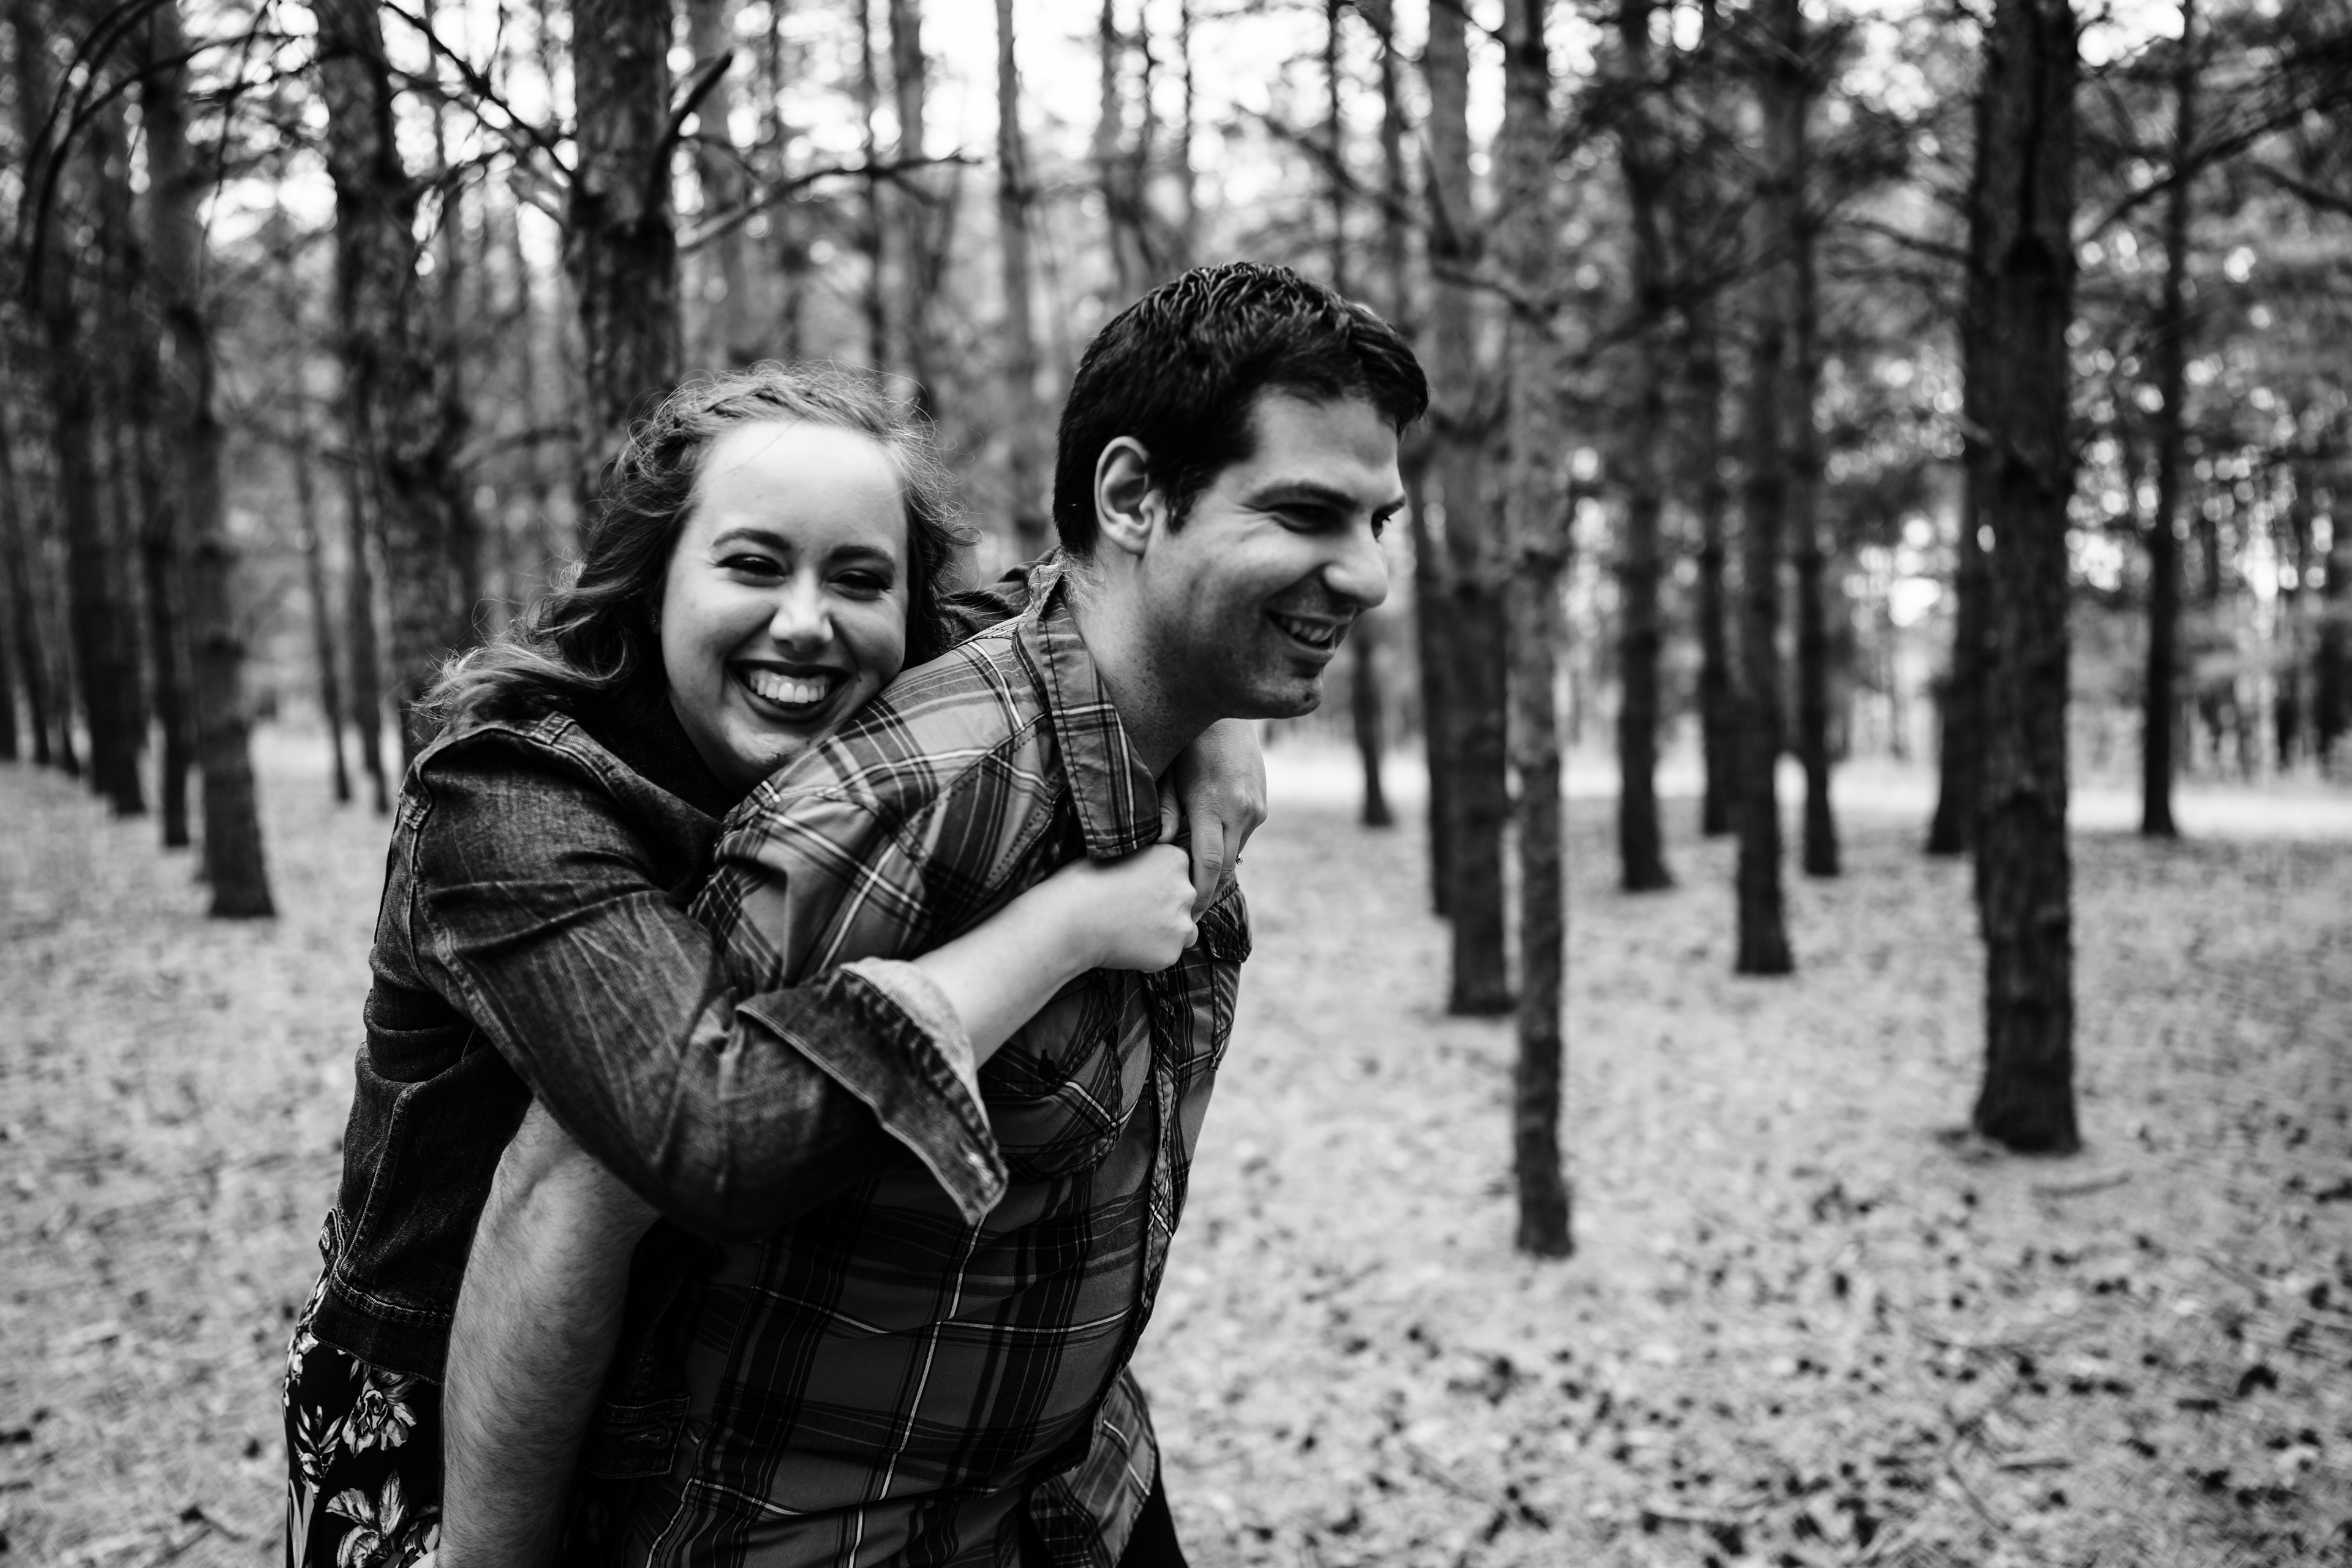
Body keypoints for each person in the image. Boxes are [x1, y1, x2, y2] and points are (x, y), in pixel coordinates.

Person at [444, 262, 1425, 1567]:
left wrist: (1215, 702)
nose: (1368, 576)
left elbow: (1062, 602)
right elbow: (580, 1191)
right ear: (1133, 497)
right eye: (1307, 512)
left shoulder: (1155, 735)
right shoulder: (855, 806)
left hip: (1076, 1491)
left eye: (1378, 520)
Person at [281, 365, 1267, 1568]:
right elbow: (709, 1127)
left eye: (858, 578)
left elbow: (1114, 597)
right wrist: (1065, 929)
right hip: (444, 1414)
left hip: (710, 1391)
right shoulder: (512, 800)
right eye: (752, 565)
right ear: (653, 579)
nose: (807, 620)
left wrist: (1221, 720)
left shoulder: (900, 677)